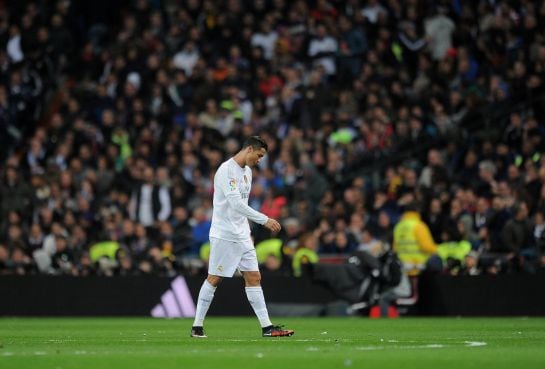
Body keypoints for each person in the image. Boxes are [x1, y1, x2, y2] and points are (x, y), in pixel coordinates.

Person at [190, 136, 294, 338]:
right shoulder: (226, 171)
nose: (260, 160)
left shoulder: (247, 171)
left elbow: (242, 207)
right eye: (259, 155)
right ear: (249, 149)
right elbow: (236, 204)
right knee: (214, 278)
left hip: (242, 234)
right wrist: (264, 220)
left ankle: (267, 328)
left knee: (254, 277)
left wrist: (247, 232)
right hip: (225, 234)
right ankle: (197, 326)